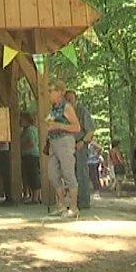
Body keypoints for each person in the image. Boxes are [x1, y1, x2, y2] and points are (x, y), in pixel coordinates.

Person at [46, 80, 81, 218]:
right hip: (53, 142)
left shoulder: (66, 107)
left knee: (68, 173)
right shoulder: (53, 108)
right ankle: (61, 205)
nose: (49, 93)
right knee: (53, 174)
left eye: (51, 90)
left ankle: (73, 207)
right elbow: (49, 122)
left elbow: (76, 127)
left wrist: (58, 126)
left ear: (60, 92)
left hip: (65, 141)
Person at [65, 90, 95, 210]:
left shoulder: (82, 111)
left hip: (80, 146)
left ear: (75, 99)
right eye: (67, 99)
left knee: (81, 173)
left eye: (71, 98)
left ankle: (83, 202)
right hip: (67, 147)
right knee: (70, 175)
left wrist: (83, 142)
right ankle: (74, 202)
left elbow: (90, 130)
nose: (69, 101)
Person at [20, 112, 41, 204]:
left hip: (31, 155)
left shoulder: (29, 130)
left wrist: (22, 145)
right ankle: (33, 196)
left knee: (33, 175)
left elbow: (31, 142)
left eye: (23, 119)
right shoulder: (26, 130)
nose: (21, 121)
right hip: (27, 155)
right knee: (29, 175)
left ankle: (35, 197)